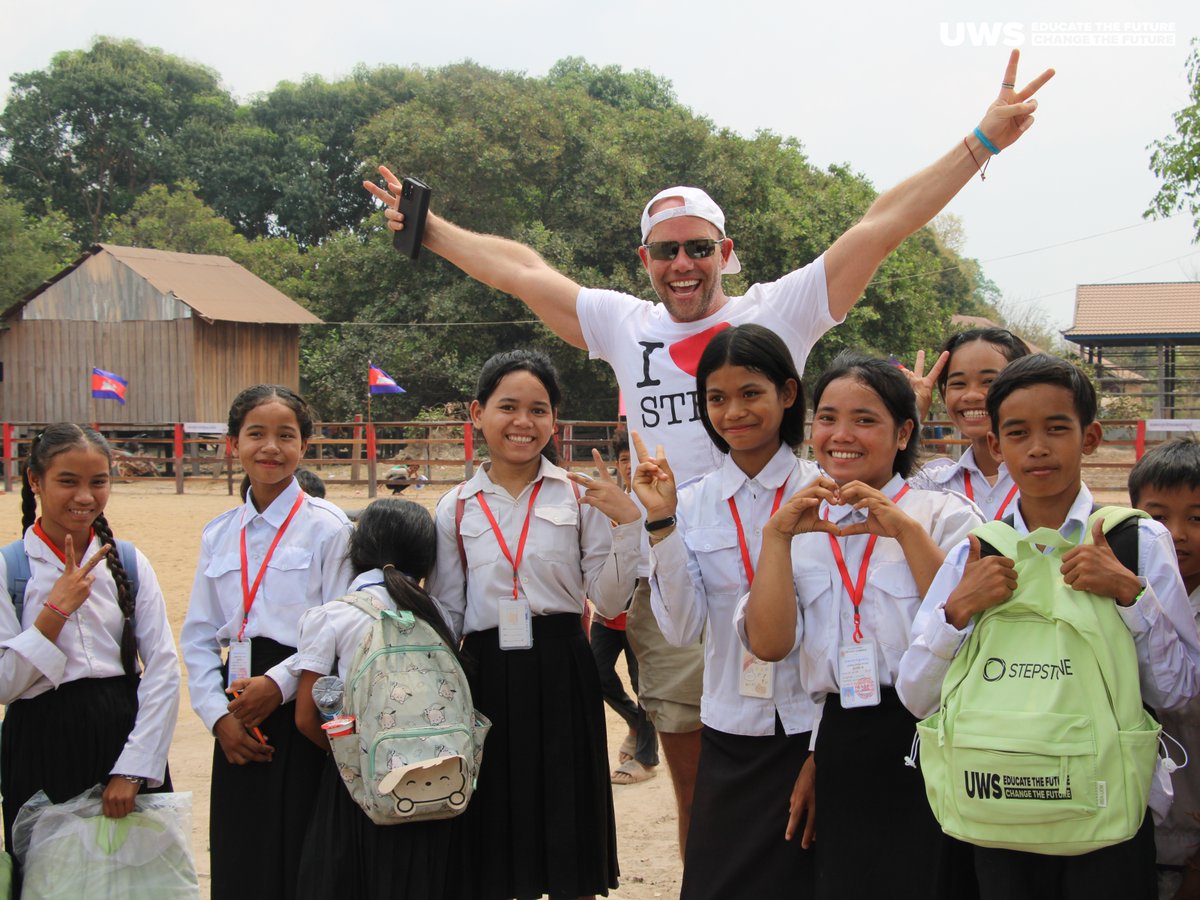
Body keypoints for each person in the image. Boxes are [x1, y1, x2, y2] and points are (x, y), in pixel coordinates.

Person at [366, 50, 1054, 847]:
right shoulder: (625, 323)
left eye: (699, 247)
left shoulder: (777, 312)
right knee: (700, 786)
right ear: (645, 262)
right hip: (679, 569)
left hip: (792, 559)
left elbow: (879, 225)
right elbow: (524, 271)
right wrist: (430, 228)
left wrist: (982, 141)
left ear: (726, 251)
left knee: (812, 761)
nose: (683, 263)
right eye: (666, 250)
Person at [897, 354, 1200, 900]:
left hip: (1106, 815)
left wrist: (1131, 597)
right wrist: (956, 612)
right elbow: (917, 697)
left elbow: (1176, 691)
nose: (1038, 447)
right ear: (996, 444)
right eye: (1018, 432)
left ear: (1090, 437)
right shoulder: (976, 552)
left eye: (1057, 428)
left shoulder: (1135, 542)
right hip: (996, 813)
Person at [738, 352, 983, 900]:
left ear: (903, 434)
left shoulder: (945, 514)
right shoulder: (797, 524)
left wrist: (903, 530)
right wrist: (776, 540)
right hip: (846, 739)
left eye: (865, 420)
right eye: (827, 417)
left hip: (937, 733)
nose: (840, 434)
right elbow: (771, 644)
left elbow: (975, 619)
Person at [424, 349, 641, 899]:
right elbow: (448, 610)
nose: (524, 423)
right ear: (477, 413)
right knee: (496, 822)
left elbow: (609, 596)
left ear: (553, 419)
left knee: (567, 815)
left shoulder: (579, 495)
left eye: (539, 410)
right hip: (486, 675)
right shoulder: (455, 507)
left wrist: (627, 524)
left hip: (563, 667)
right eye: (509, 407)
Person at [632, 325, 821, 898]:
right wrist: (660, 523)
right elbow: (684, 627)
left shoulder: (826, 494)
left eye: (751, 393)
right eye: (717, 397)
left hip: (814, 730)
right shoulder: (684, 504)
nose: (733, 411)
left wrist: (823, 750)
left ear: (788, 394)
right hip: (731, 729)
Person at [181, 385, 354, 900]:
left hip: (303, 694)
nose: (270, 448)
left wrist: (277, 687)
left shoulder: (329, 529)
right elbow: (197, 635)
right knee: (242, 849)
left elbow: (342, 624)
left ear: (304, 446)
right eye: (256, 434)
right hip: (237, 708)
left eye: (286, 435)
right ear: (234, 443)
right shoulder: (218, 533)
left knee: (300, 849)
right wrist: (218, 718)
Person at [0, 425, 180, 865]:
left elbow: (162, 667)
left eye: (98, 482)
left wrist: (134, 769)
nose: (85, 496)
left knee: (137, 878)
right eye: (68, 481)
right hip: (40, 743)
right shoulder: (10, 570)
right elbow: (5, 685)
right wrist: (53, 614)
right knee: (50, 878)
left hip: (122, 732)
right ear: (34, 480)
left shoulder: (131, 563)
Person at [291, 498, 466, 898]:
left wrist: (358, 760)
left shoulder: (331, 616)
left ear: (358, 551)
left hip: (358, 790)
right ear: (426, 558)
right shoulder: (435, 612)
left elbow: (306, 717)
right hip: (432, 779)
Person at [1127, 437, 1200, 900]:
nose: (1176, 533)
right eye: (1157, 518)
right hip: (1131, 831)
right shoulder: (1113, 590)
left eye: (1197, 517)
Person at [591, 429, 660, 785]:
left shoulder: (660, 500)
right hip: (607, 611)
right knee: (596, 674)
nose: (629, 466)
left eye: (634, 459)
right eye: (623, 460)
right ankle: (634, 721)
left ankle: (646, 758)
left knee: (643, 683)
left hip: (642, 610)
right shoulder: (602, 500)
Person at [908, 328, 1030, 520]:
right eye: (958, 383)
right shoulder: (934, 485)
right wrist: (913, 415)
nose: (972, 395)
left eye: (989, 381)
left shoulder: (1045, 480)